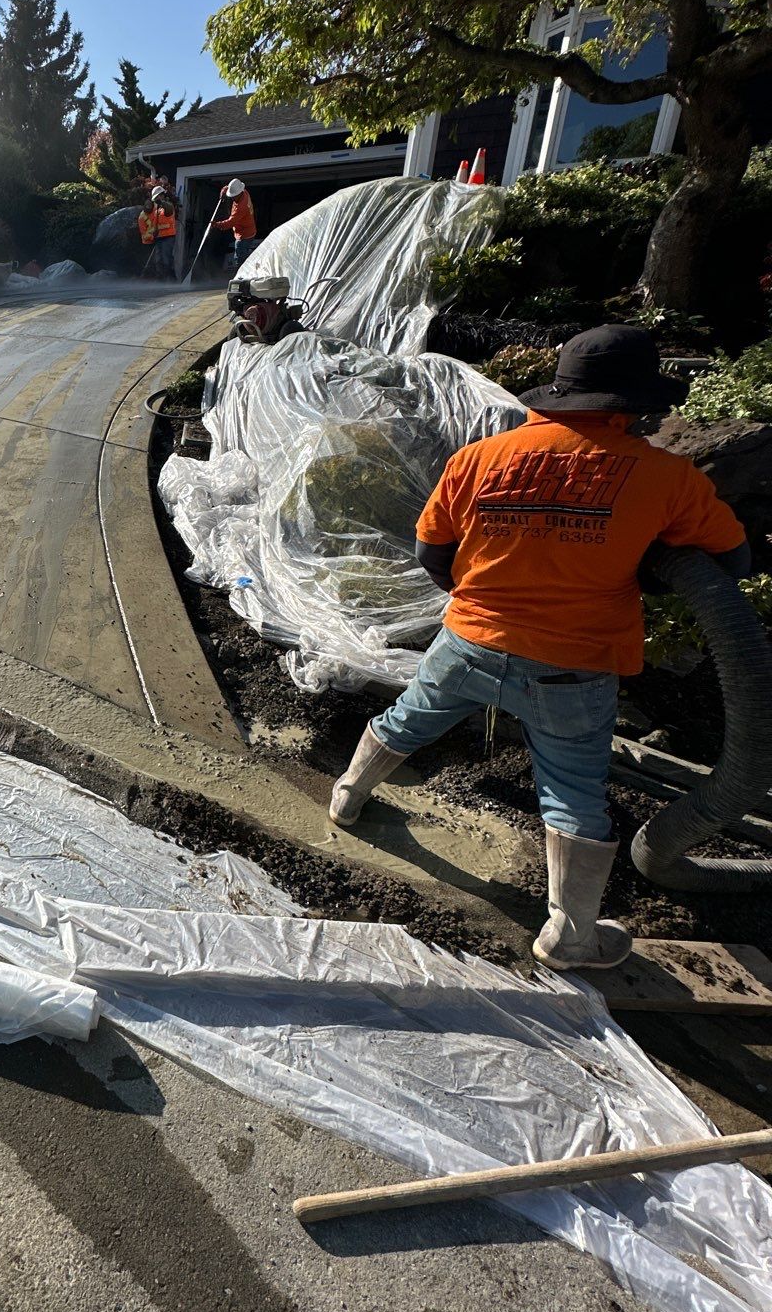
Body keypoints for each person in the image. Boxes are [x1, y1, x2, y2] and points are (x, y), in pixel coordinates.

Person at [327, 325, 749, 970]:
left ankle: (349, 795)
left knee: (410, 718)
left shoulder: (480, 457)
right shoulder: (668, 477)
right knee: (573, 790)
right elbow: (731, 561)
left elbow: (431, 550)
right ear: (632, 405)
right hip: (573, 666)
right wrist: (642, 567)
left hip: (469, 642)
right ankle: (570, 937)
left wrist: (485, 602)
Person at [212, 178, 258, 267]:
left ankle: (240, 273)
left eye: (234, 196)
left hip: (245, 235)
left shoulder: (241, 207)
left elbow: (230, 222)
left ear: (239, 193)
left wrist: (217, 224)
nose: (232, 197)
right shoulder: (244, 191)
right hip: (248, 229)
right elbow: (229, 187)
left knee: (239, 257)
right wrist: (223, 191)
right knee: (243, 254)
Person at [150, 186, 179, 280]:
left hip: (168, 236)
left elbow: (168, 209)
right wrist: (154, 232)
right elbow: (155, 223)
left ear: (161, 195)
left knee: (167, 259)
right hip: (159, 237)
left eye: (156, 198)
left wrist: (161, 202)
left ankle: (171, 280)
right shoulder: (157, 209)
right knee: (158, 260)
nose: (155, 200)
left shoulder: (168, 206)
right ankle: (160, 280)